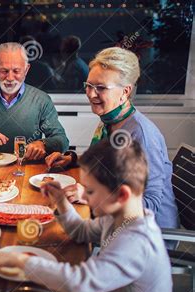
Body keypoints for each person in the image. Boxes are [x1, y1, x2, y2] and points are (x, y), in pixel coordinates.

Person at [0, 140, 173, 292]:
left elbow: (80, 282)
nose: (86, 198)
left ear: (121, 195)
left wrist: (22, 261)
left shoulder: (136, 241)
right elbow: (81, 232)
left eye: (90, 191)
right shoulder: (117, 217)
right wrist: (60, 201)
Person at [45, 47, 178, 230]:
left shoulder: (141, 135)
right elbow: (106, 165)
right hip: (114, 220)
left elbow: (150, 205)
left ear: (125, 92)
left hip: (146, 234)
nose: (91, 94)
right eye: (89, 85)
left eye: (100, 88)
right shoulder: (110, 120)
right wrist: (73, 159)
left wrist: (88, 196)